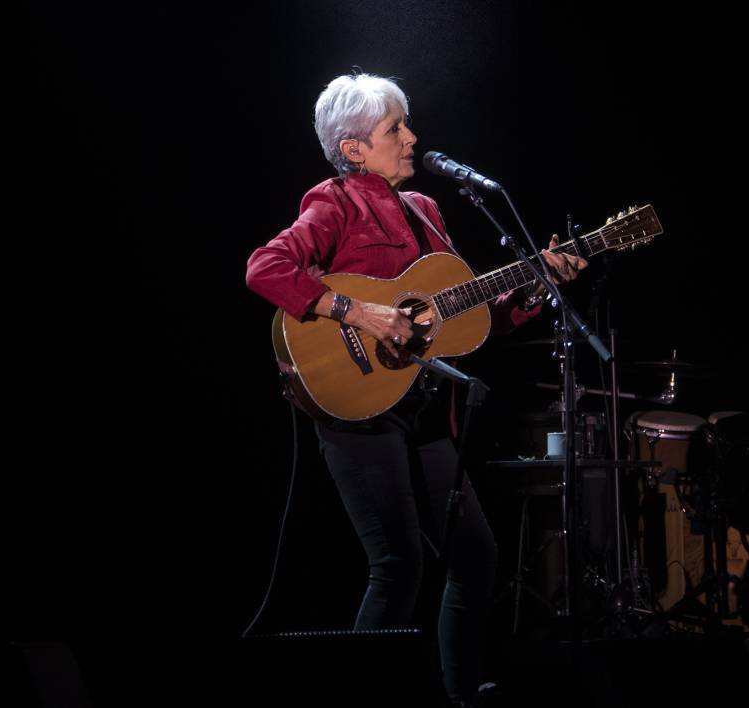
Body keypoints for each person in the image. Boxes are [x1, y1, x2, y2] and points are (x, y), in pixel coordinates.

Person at [246, 72, 587, 707]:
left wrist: (539, 284)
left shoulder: (426, 211)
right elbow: (266, 268)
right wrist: (359, 312)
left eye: (405, 125)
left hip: (429, 410)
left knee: (477, 560)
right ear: (353, 149)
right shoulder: (334, 201)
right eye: (394, 129)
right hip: (360, 408)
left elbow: (465, 320)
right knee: (398, 564)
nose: (412, 138)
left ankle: (464, 693)